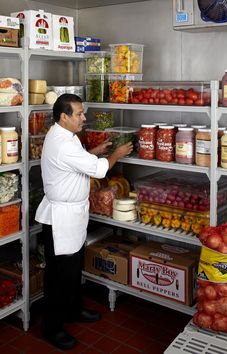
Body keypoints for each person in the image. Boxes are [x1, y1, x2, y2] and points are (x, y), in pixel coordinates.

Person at [35, 93, 133, 350]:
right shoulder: (63, 142)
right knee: (59, 275)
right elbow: (99, 170)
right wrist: (117, 154)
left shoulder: (65, 136)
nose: (84, 117)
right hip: (62, 218)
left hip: (74, 214)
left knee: (74, 267)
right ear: (64, 116)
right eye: (79, 113)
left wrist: (94, 152)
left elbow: (73, 164)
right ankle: (52, 328)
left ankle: (73, 310)